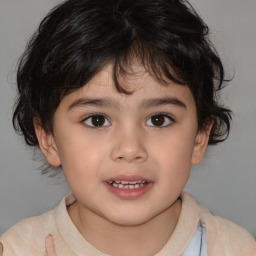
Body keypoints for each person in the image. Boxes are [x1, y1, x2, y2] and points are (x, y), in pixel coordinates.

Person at [0, 0, 255, 255]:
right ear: (48, 139)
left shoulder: (237, 249)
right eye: (97, 120)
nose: (130, 149)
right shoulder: (16, 249)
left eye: (158, 119)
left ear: (199, 137)